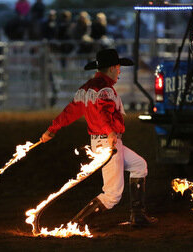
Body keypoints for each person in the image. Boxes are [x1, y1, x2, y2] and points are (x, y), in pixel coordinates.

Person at [40, 48, 157, 227]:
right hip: (108, 141)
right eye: (118, 68)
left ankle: (138, 216)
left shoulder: (87, 89)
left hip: (103, 141)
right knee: (112, 195)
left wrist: (52, 130)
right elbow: (103, 112)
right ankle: (77, 224)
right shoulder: (104, 90)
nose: (119, 72)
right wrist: (110, 132)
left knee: (139, 165)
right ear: (111, 68)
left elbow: (70, 112)